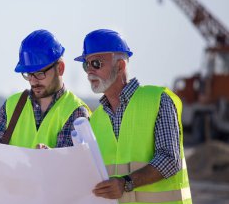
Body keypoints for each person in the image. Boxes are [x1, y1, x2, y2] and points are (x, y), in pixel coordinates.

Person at [74, 29, 192, 203]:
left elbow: (169, 159)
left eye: (96, 63)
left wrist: (126, 183)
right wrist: (51, 156)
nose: (89, 71)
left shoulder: (158, 100)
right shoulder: (96, 120)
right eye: (86, 64)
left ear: (120, 65)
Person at [0, 29, 90, 170]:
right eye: (29, 74)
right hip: (14, 192)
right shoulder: (12, 105)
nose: (33, 81)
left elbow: (69, 169)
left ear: (60, 68)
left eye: (40, 73)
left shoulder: (76, 111)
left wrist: (51, 158)